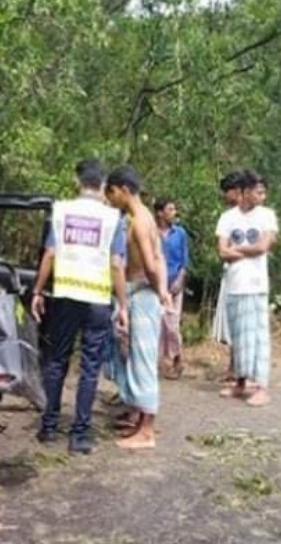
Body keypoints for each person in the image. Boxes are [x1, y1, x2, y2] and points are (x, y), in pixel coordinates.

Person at [31, 159, 128, 455]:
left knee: (57, 360)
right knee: (89, 366)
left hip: (64, 296)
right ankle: (80, 434)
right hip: (97, 300)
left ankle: (49, 426)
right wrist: (123, 304)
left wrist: (37, 291)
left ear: (78, 183)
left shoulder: (61, 211)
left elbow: (49, 254)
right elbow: (116, 265)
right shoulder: (114, 219)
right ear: (102, 187)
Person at [104, 165, 171, 450]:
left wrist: (160, 292)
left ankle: (147, 431)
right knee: (130, 355)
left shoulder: (140, 222)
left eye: (112, 192)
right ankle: (139, 416)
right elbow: (160, 259)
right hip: (140, 292)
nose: (110, 198)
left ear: (124, 190)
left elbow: (150, 262)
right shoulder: (141, 218)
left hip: (142, 293)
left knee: (142, 358)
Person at [215, 170, 278, 406]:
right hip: (234, 283)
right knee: (238, 336)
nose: (259, 195)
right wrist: (237, 253)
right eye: (255, 190)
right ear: (243, 192)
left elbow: (263, 246)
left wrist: (236, 252)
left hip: (256, 284)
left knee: (258, 336)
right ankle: (240, 382)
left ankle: (261, 385)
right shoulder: (227, 218)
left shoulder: (267, 216)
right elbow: (222, 250)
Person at [213, 171, 244, 383]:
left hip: (244, 276)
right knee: (232, 322)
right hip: (231, 271)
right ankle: (234, 367)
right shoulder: (230, 217)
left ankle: (241, 370)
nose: (225, 196)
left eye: (227, 192)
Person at [155, 197, 190, 379]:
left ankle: (177, 357)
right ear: (160, 212)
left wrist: (180, 280)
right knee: (159, 326)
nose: (174, 213)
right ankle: (165, 361)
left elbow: (185, 261)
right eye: (170, 209)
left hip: (175, 286)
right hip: (156, 287)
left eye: (174, 209)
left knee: (172, 325)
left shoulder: (180, 233)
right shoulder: (152, 233)